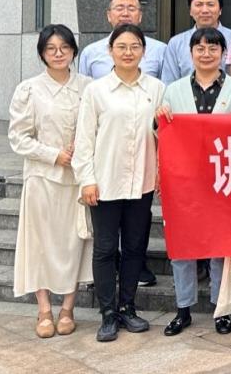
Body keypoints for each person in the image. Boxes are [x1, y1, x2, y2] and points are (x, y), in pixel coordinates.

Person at [73, 23, 165, 343]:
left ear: (144, 51)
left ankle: (128, 307)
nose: (128, 52)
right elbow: (84, 140)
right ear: (110, 51)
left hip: (141, 182)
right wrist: (87, 180)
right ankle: (108, 313)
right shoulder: (96, 91)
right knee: (105, 248)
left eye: (135, 46)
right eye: (121, 47)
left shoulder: (156, 88)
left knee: (135, 247)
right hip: (105, 182)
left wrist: (161, 171)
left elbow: (163, 135)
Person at [156, 27, 231, 337]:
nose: (206, 54)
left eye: (213, 48)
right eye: (200, 49)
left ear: (223, 53)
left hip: (224, 179)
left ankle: (221, 310)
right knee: (183, 246)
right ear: (191, 53)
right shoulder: (173, 90)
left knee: (220, 246)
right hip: (184, 181)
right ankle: (183, 309)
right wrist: (160, 118)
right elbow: (161, 136)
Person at [8, 25, 93, 338]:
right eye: (51, 49)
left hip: (78, 180)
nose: (58, 54)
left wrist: (81, 152)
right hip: (42, 178)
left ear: (73, 50)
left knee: (75, 243)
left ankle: (68, 308)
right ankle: (44, 309)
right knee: (40, 245)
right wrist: (53, 155)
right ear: (42, 53)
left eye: (64, 48)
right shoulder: (29, 90)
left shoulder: (88, 87)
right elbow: (18, 137)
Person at [77, 0, 167, 81]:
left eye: (131, 9)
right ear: (109, 15)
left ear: (140, 16)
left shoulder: (160, 50)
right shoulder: (90, 52)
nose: (125, 14)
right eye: (119, 9)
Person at [160, 0, 231, 83]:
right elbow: (169, 84)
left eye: (210, 4)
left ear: (220, 10)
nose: (205, 10)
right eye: (199, 5)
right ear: (190, 11)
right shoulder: (176, 43)